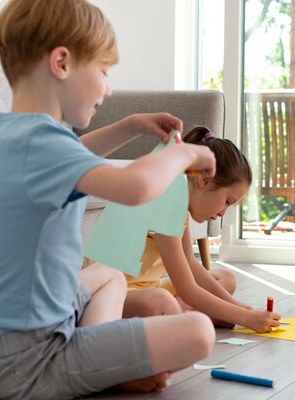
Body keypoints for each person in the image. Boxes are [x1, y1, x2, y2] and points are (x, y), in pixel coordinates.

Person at [0, 0, 219, 399]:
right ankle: (99, 368)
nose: (108, 89)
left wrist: (131, 126)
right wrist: (184, 154)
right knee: (199, 331)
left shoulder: (8, 132)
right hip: (31, 362)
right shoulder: (43, 143)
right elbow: (137, 187)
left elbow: (72, 157)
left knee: (109, 274)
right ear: (62, 62)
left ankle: (100, 358)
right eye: (103, 71)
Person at [86, 126, 281, 333]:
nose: (223, 212)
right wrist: (246, 317)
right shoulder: (163, 201)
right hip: (112, 293)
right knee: (160, 302)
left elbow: (189, 261)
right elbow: (188, 289)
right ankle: (184, 316)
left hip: (147, 286)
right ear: (204, 180)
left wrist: (239, 307)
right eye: (226, 201)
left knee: (226, 278)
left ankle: (183, 315)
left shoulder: (178, 199)